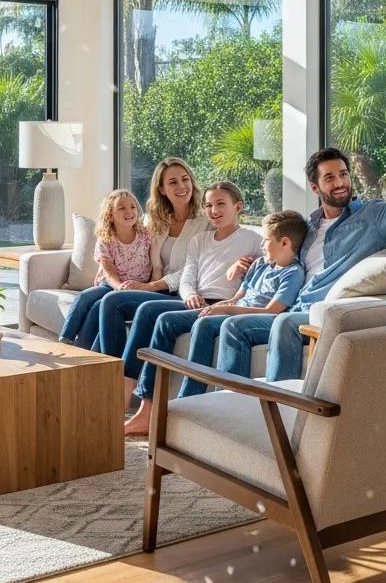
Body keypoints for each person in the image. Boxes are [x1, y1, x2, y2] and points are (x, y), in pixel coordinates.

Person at [215, 140, 386, 383]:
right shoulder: (308, 227)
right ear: (315, 187)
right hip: (290, 304)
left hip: (319, 312)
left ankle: (282, 411)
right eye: (329, 178)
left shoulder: (371, 217)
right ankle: (225, 404)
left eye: (343, 174)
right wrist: (251, 263)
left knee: (285, 323)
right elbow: (281, 255)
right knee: (230, 326)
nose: (339, 183)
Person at [121, 181, 262, 436]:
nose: (214, 210)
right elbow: (187, 276)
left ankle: (149, 410)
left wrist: (249, 267)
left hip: (221, 306)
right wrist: (190, 294)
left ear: (238, 207)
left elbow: (268, 272)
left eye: (221, 204)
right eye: (209, 205)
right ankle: (135, 395)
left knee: (166, 321)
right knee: (147, 310)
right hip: (195, 300)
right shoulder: (200, 240)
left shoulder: (253, 240)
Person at [175, 209, 307, 399]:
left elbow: (271, 311)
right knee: (202, 322)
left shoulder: (293, 273)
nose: (261, 245)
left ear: (284, 242)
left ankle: (225, 398)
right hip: (236, 309)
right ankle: (190, 396)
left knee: (221, 323)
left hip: (254, 317)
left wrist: (227, 309)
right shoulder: (260, 264)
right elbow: (236, 298)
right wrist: (218, 306)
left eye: (266, 240)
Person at [78, 159, 207, 352]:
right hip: (154, 288)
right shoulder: (154, 220)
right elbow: (132, 248)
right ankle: (83, 366)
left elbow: (196, 267)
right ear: (162, 189)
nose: (181, 186)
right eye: (173, 182)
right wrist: (105, 266)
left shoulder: (205, 222)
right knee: (98, 303)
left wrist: (150, 286)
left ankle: (106, 372)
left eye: (185, 179)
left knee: (112, 301)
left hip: (181, 292)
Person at [58, 190, 151, 347]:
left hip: (137, 287)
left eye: (133, 207)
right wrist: (119, 288)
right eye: (121, 208)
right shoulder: (106, 239)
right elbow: (108, 271)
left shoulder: (145, 235)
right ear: (110, 215)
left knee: (97, 307)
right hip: (111, 285)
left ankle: (85, 349)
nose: (129, 211)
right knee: (85, 297)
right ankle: (66, 339)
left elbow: (155, 263)